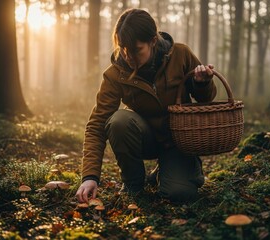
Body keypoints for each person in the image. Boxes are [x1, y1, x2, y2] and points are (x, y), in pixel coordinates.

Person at [75, 8, 217, 203]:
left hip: (178, 142)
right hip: (144, 138)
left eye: (136, 50)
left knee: (179, 195)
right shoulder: (115, 74)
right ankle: (133, 184)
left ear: (153, 41)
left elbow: (206, 101)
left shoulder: (181, 54)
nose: (128, 56)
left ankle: (170, 171)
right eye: (123, 48)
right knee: (119, 121)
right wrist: (90, 177)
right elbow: (96, 124)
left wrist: (202, 83)